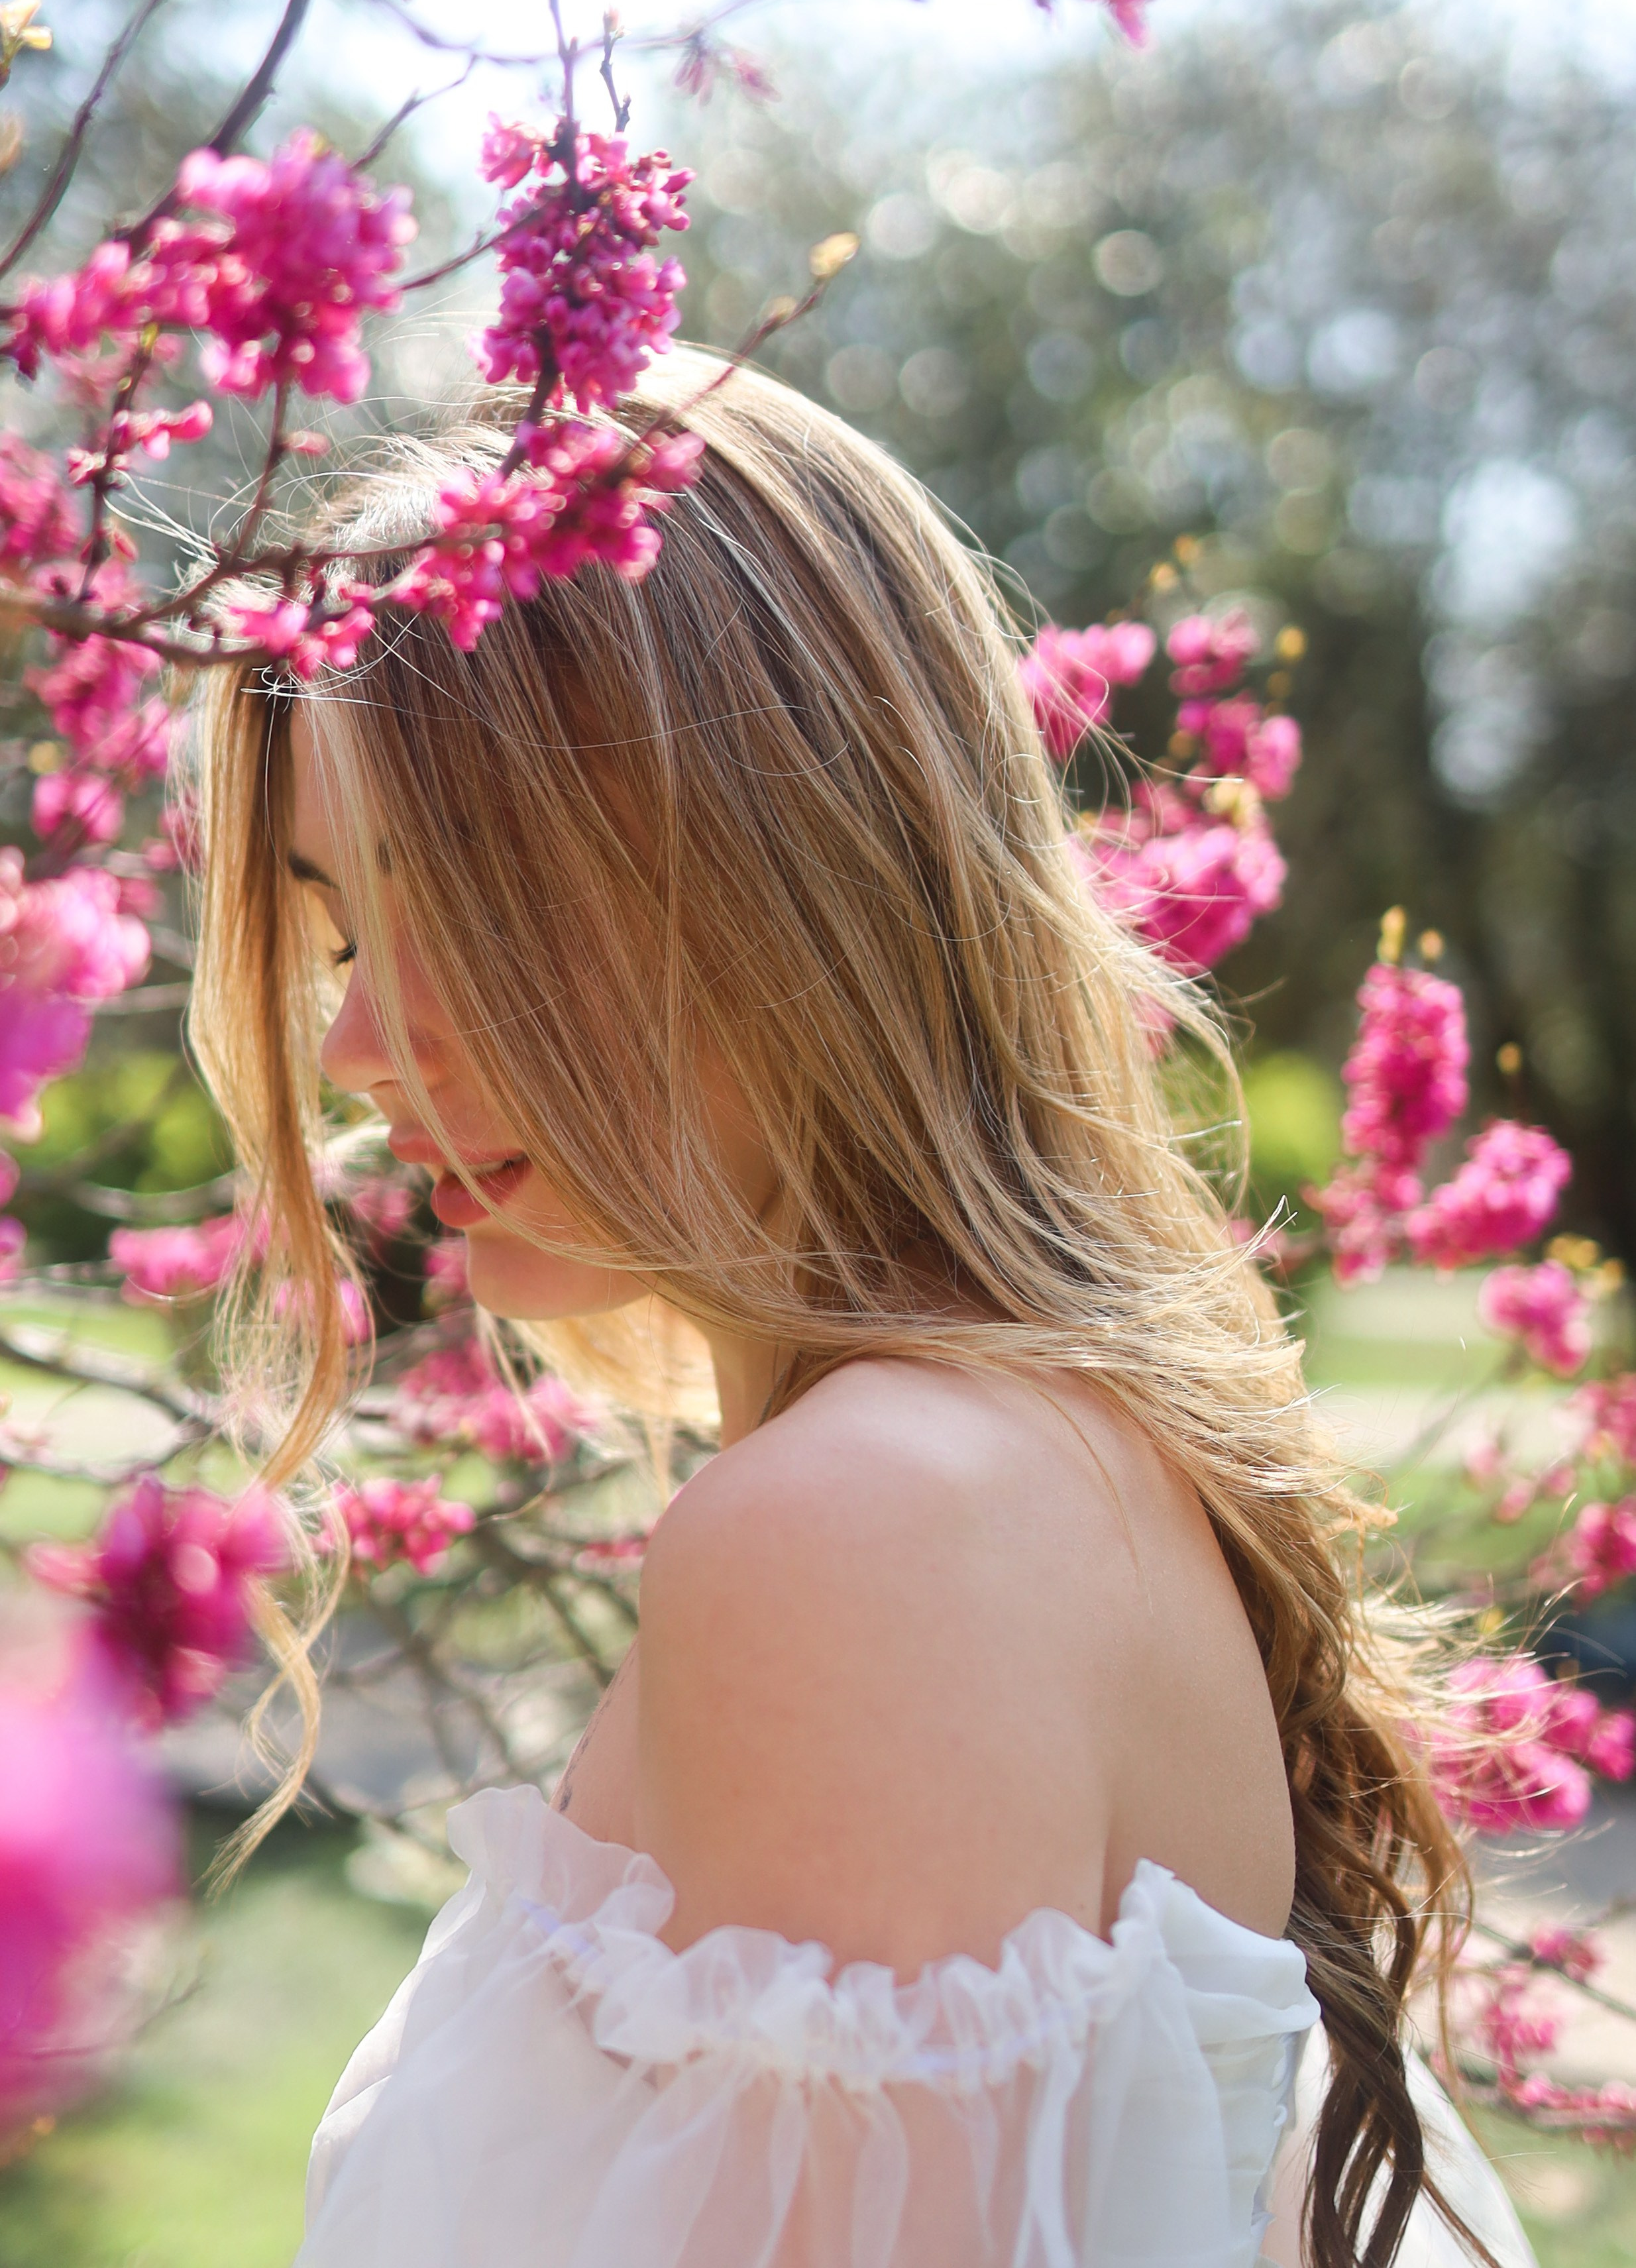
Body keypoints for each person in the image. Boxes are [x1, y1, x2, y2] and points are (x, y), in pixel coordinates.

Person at [190, 351, 1535, 2268]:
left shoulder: (863, 1529)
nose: (354, 1042)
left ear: (784, 876)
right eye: (340, 926)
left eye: (473, 906)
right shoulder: (1037, 1453)